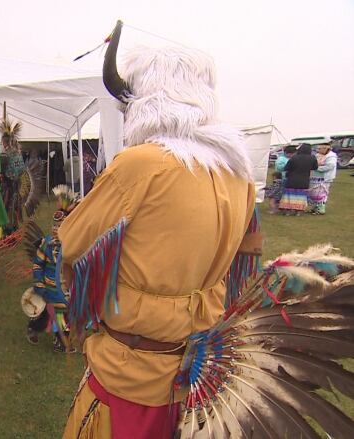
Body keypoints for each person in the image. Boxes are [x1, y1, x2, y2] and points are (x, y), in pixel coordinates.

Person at [61, 23, 257, 438]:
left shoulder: (141, 164)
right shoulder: (240, 175)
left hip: (130, 372)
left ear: (143, 100)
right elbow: (244, 259)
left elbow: (71, 245)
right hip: (199, 373)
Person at [25, 185, 78, 353]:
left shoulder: (72, 245)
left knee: (61, 312)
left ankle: (58, 339)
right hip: (50, 286)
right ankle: (59, 340)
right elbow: (38, 264)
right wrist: (38, 283)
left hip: (64, 287)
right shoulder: (46, 244)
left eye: (60, 227)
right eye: (54, 226)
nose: (56, 230)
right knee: (53, 312)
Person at [279, 143, 317, 216]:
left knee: (290, 195)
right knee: (301, 196)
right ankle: (298, 211)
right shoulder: (312, 158)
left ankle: (288, 211)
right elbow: (315, 167)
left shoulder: (294, 158)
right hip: (304, 179)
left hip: (292, 179)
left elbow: (286, 168)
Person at [308, 143, 337, 214]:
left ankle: (321, 209)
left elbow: (330, 166)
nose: (318, 150)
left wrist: (317, 168)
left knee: (321, 193)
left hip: (325, 178)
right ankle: (315, 207)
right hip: (315, 177)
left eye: (319, 149)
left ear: (325, 149)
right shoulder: (317, 155)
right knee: (314, 193)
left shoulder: (331, 156)